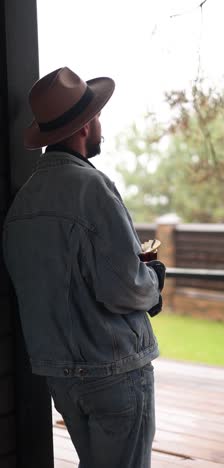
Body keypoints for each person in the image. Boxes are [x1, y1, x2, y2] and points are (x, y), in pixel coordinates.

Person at [2, 67, 166, 468]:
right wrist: (155, 282)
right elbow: (123, 286)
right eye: (96, 116)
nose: (99, 124)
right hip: (113, 371)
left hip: (61, 375)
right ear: (85, 125)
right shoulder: (92, 187)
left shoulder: (22, 203)